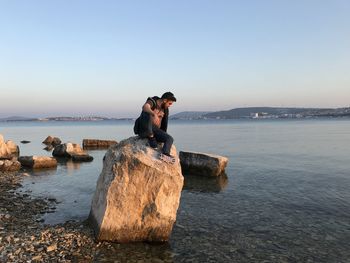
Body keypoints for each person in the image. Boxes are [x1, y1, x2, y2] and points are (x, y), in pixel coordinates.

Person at [134, 92, 177, 163]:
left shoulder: (165, 109)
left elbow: (164, 124)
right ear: (165, 100)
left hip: (155, 130)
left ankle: (165, 154)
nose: (170, 106)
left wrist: (163, 134)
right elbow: (145, 107)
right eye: (169, 103)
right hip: (144, 128)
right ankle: (151, 136)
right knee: (147, 113)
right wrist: (154, 114)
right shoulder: (152, 101)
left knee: (169, 138)